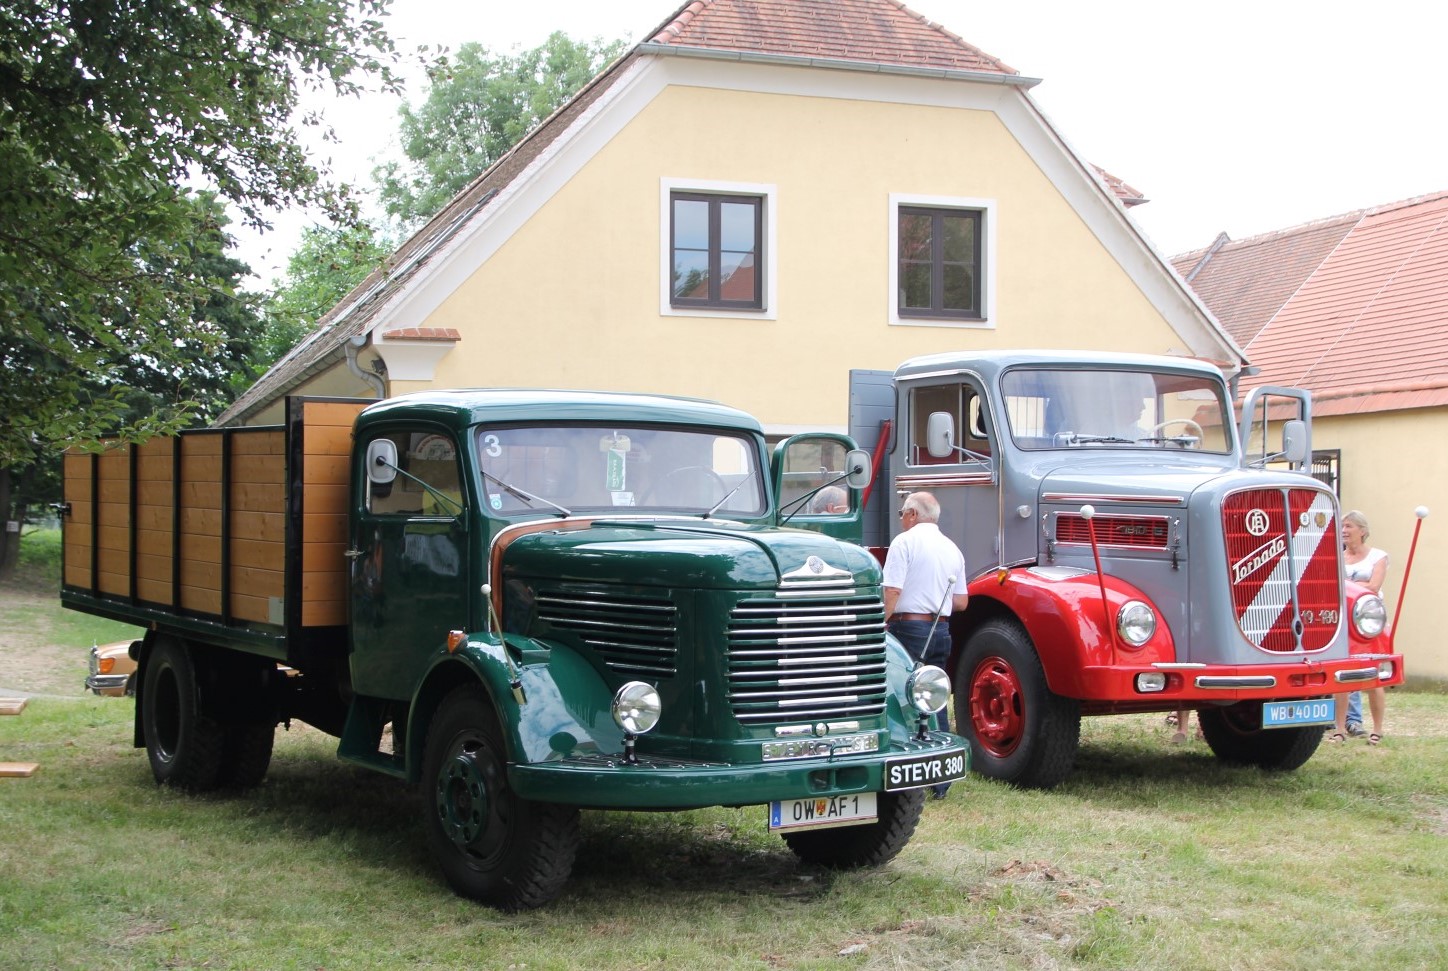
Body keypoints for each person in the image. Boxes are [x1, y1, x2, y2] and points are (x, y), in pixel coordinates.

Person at [882, 491, 969, 798]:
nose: (902, 519)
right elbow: (961, 601)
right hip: (941, 628)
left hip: (908, 626)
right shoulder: (952, 548)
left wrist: (880, 620)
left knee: (903, 698)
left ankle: (904, 773)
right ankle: (941, 780)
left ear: (913, 515)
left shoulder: (904, 542)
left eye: (903, 513)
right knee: (935, 698)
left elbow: (892, 590)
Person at [1328, 510, 1390, 745]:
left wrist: (1346, 585)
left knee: (1373, 674)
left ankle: (1377, 729)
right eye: (1342, 527)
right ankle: (1340, 729)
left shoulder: (1378, 556)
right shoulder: (1336, 557)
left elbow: (1373, 587)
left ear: (1363, 531)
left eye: (1349, 526)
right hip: (1342, 622)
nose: (1344, 531)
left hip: (1367, 622)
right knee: (1341, 674)